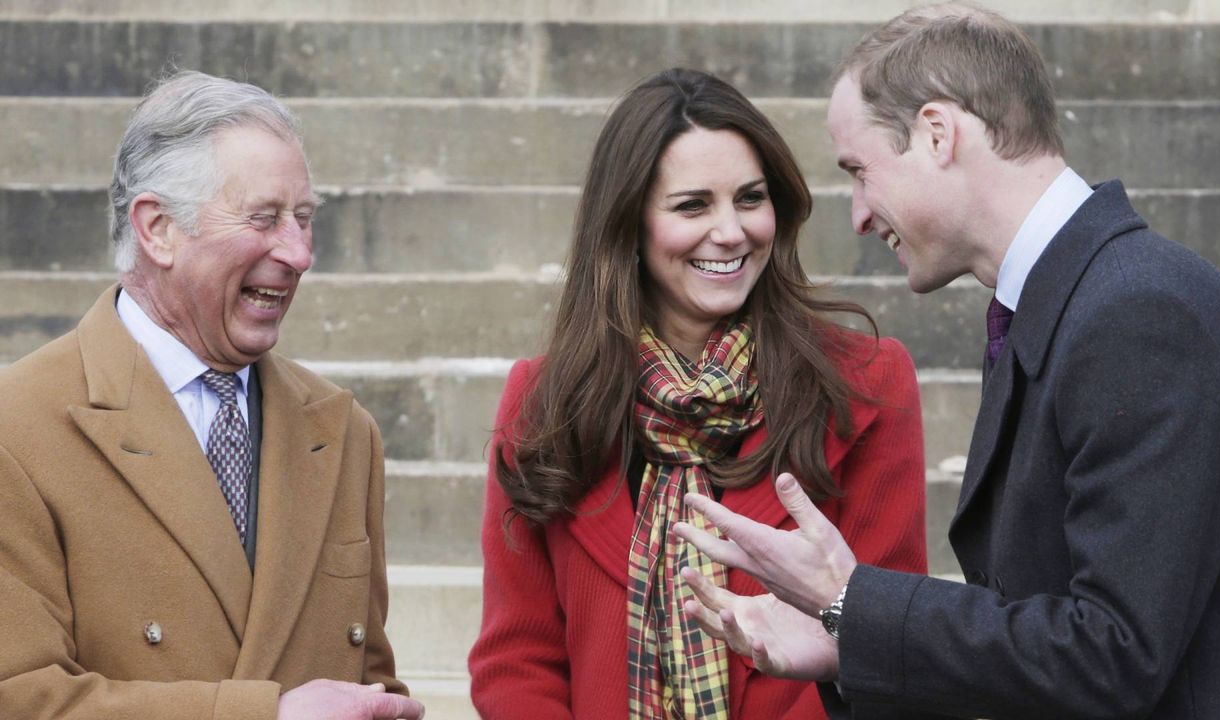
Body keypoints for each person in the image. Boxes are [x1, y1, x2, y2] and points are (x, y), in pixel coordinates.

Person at [675, 3, 1220, 718]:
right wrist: (848, 635)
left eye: (860, 171)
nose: (860, 214)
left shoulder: (1138, 314)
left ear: (936, 134)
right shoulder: (1071, 302)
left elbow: (1113, 656)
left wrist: (850, 600)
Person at [467, 68, 929, 719]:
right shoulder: (544, 401)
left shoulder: (869, 383)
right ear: (629, 225)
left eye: (749, 198)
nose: (731, 231)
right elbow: (517, 661)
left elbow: (890, 643)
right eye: (692, 206)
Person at [0, 71, 424, 720]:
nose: (301, 252)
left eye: (305, 219)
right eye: (266, 218)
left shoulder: (345, 432)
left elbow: (368, 684)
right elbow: (22, 699)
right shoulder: (19, 427)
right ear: (159, 228)